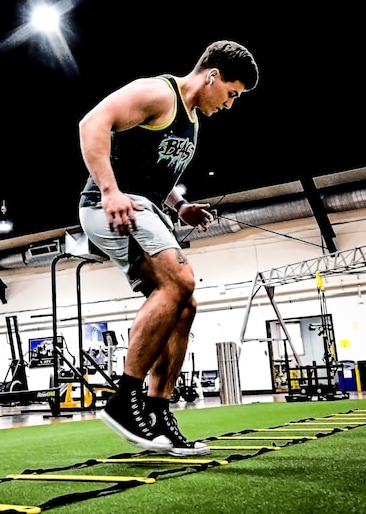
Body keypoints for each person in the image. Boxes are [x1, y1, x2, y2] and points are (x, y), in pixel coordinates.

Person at [77, 40, 259, 455]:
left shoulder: (192, 120)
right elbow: (92, 123)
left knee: (184, 302)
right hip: (110, 204)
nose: (230, 105)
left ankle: (157, 414)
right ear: (212, 76)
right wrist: (109, 190)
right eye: (231, 93)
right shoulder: (160, 93)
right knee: (180, 280)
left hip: (148, 207)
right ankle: (125, 399)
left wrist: (179, 206)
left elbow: (153, 167)